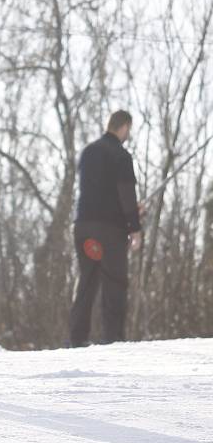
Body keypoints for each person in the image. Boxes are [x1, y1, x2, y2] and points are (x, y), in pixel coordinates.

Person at [69, 110, 142, 347]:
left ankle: (77, 339)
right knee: (115, 283)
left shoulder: (88, 152)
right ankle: (113, 341)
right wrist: (134, 225)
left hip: (83, 227)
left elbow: (96, 190)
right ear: (124, 127)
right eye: (128, 130)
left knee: (87, 281)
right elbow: (126, 193)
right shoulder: (121, 155)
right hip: (109, 230)